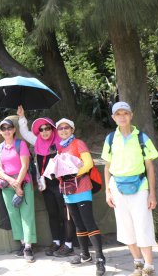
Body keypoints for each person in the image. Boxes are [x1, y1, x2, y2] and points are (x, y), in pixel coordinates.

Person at [102, 102, 158, 276]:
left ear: (131, 115)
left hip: (140, 186)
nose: (122, 116)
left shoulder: (142, 138)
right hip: (117, 187)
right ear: (113, 117)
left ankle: (149, 267)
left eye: (125, 113)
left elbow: (150, 167)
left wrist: (152, 194)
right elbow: (107, 167)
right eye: (118, 114)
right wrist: (107, 191)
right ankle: (138, 264)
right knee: (126, 226)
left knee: (143, 225)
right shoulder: (110, 138)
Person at [17, 105, 75, 257]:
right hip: (46, 186)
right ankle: (56, 241)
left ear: (53, 129)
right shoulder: (37, 142)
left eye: (47, 128)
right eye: (41, 129)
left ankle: (68, 243)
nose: (44, 131)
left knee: (66, 214)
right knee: (52, 214)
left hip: (61, 184)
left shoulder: (60, 142)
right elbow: (24, 132)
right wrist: (22, 117)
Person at [54, 118, 106, 276]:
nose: (63, 130)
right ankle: (85, 255)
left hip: (82, 188)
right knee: (78, 224)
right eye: (60, 128)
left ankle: (100, 259)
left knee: (89, 223)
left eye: (66, 128)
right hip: (68, 192)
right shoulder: (61, 148)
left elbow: (88, 163)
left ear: (72, 129)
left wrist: (72, 174)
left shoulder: (78, 143)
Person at [0, 118, 37, 263]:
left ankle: (29, 246)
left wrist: (18, 184)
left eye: (9, 128)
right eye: (3, 128)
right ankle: (23, 243)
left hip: (23, 182)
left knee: (26, 214)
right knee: (13, 214)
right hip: (7, 184)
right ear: (0, 131)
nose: (6, 131)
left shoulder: (21, 144)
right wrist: (11, 182)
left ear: (13, 130)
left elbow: (25, 166)